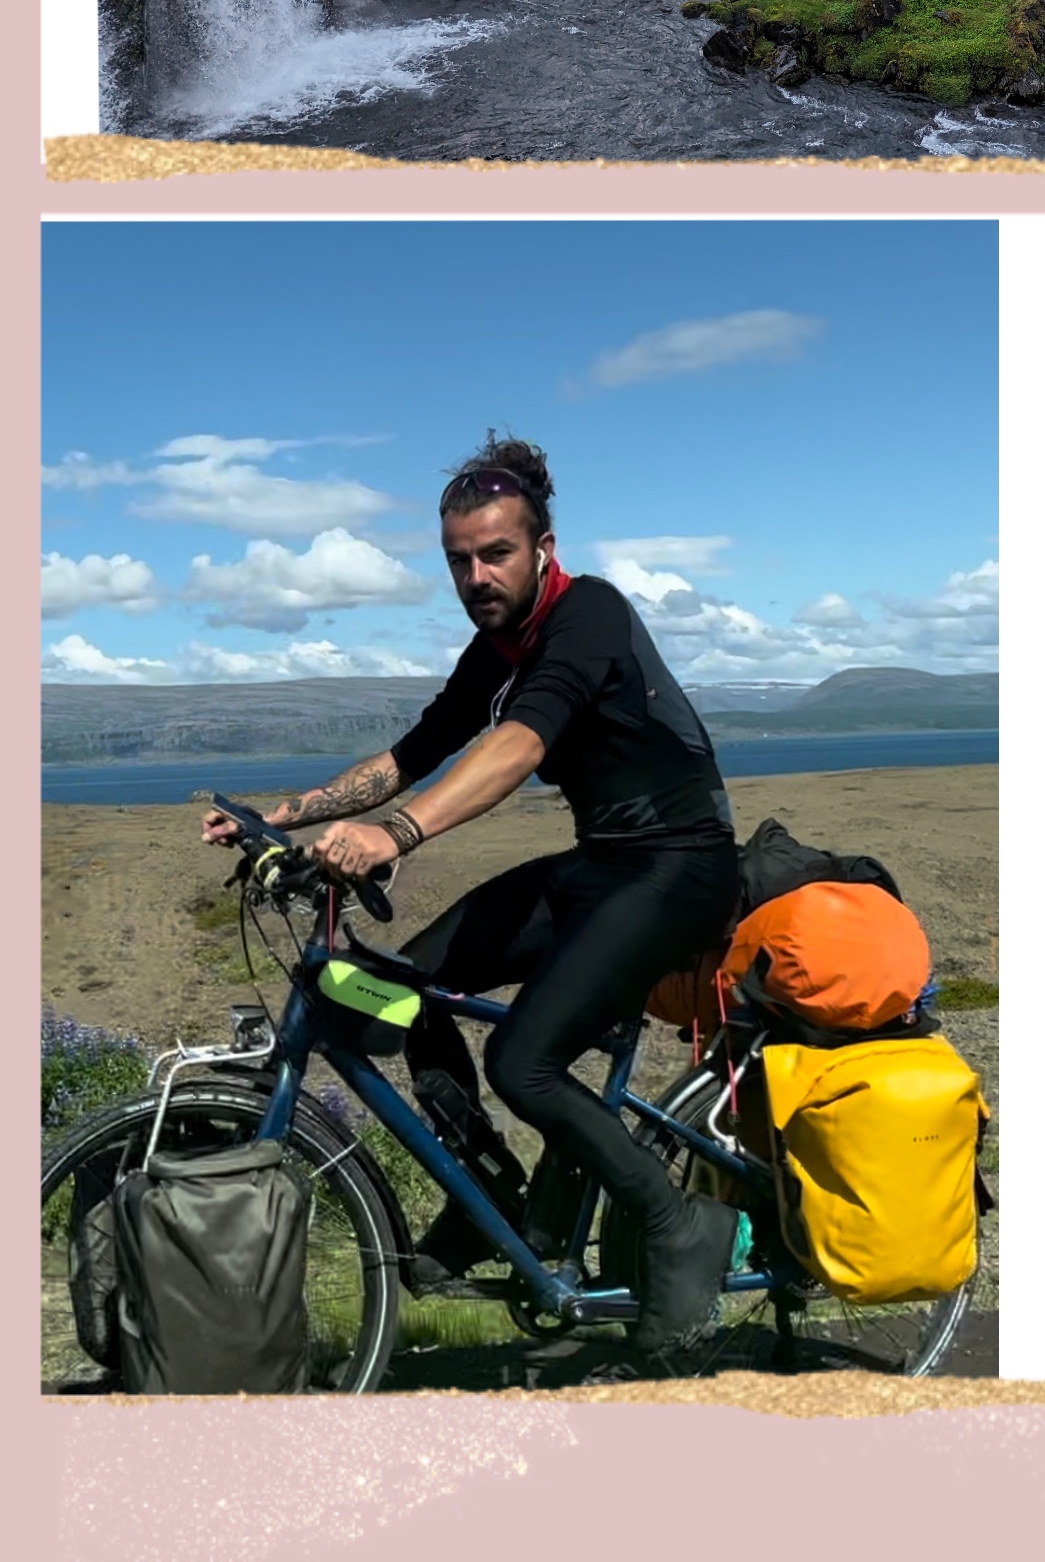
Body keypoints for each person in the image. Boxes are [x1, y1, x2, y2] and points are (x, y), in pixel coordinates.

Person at [208, 434, 742, 1366]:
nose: (476, 576)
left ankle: (676, 1222)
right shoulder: (495, 647)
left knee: (524, 1061)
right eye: (459, 559)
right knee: (399, 987)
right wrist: (284, 817)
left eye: (496, 553)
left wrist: (396, 835)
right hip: (605, 864)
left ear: (543, 547)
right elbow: (414, 753)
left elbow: (520, 745)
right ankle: (485, 1183)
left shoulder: (590, 614)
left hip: (682, 869)